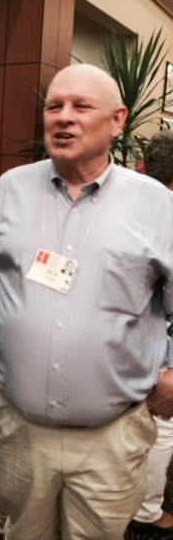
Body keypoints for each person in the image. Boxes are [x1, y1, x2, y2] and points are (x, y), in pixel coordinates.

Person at [0, 63, 173, 540]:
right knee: (23, 531)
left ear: (117, 120)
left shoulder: (156, 204)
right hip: (19, 428)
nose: (63, 117)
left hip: (112, 435)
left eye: (81, 106)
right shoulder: (9, 190)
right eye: (54, 106)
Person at [127, 129, 173, 539]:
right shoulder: (167, 214)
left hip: (125, 344)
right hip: (158, 347)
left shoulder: (127, 202)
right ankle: (147, 511)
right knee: (162, 428)